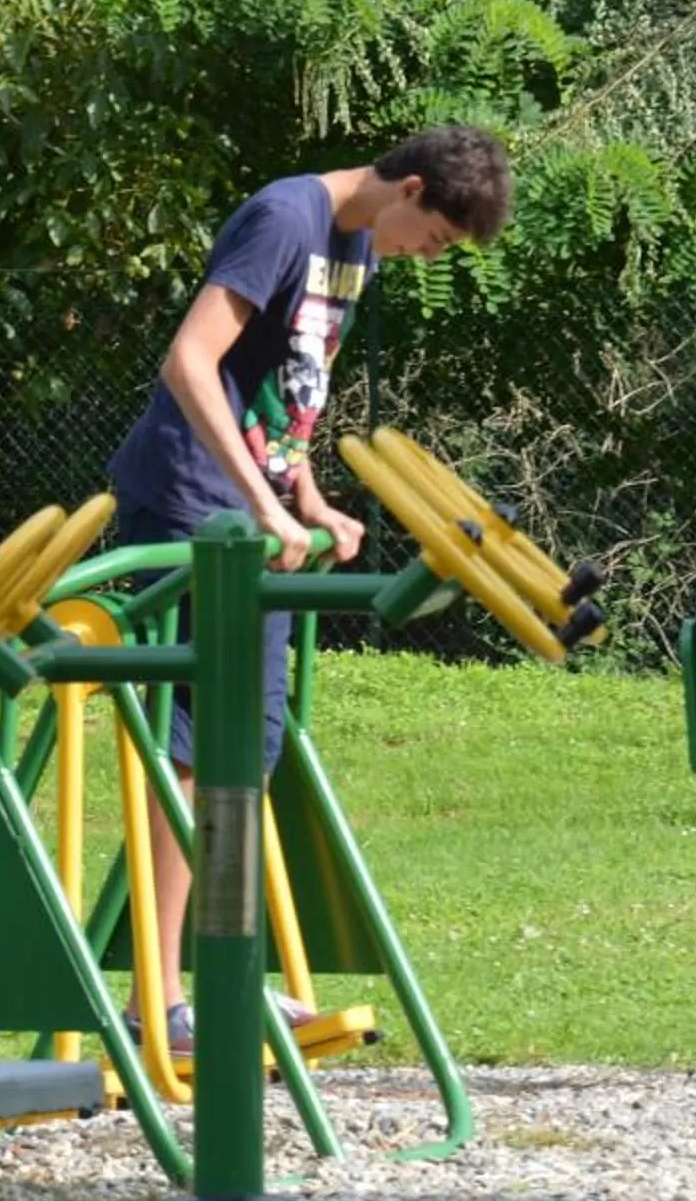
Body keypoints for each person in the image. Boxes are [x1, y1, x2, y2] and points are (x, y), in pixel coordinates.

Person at [108, 125, 516, 1053]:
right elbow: (191, 362)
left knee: (246, 748)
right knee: (192, 750)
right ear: (409, 187)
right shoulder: (285, 217)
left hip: (251, 512)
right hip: (189, 507)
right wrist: (264, 506)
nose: (428, 257)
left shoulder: (358, 244)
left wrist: (309, 499)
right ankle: (157, 999)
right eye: (439, 238)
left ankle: (216, 976)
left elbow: (285, 394)